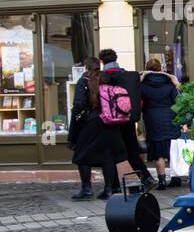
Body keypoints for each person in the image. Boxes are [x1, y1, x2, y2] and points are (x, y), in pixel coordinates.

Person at [67, 57, 135, 201]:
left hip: (92, 123)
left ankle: (86, 189)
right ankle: (109, 189)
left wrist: (79, 122)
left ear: (86, 67)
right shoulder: (107, 79)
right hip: (111, 122)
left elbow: (78, 105)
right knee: (107, 157)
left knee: (81, 156)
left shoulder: (84, 81)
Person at [98, 48, 156, 189]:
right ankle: (147, 178)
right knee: (132, 152)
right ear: (116, 58)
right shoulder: (130, 76)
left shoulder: (102, 77)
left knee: (110, 154)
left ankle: (114, 185)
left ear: (101, 61)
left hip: (110, 122)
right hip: (128, 120)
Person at [139, 58, 182, 188]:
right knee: (172, 149)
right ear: (160, 69)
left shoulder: (143, 85)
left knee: (158, 151)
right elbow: (179, 102)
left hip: (153, 120)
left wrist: (141, 78)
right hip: (170, 118)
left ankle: (162, 180)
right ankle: (175, 179)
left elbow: (137, 99)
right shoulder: (169, 84)